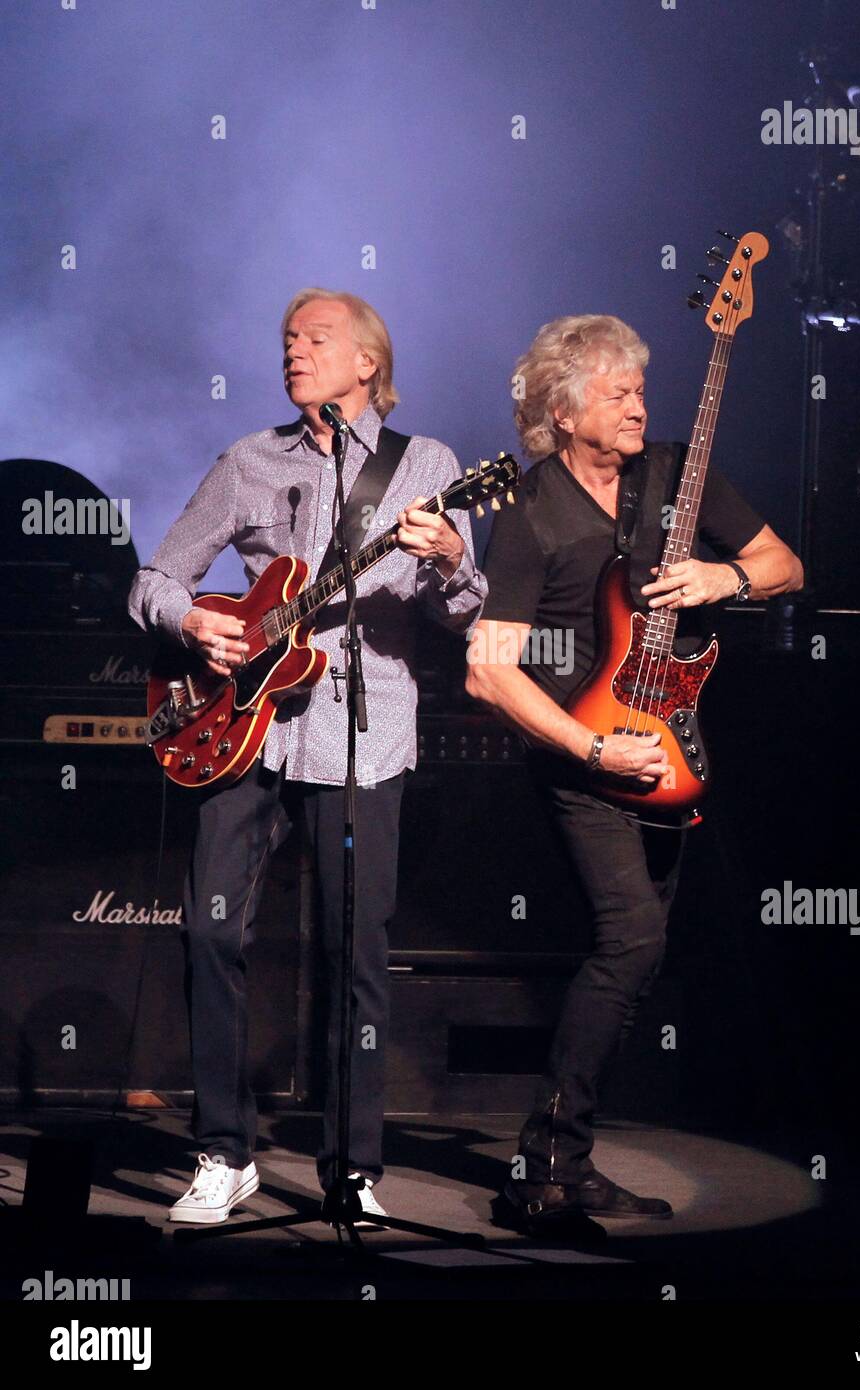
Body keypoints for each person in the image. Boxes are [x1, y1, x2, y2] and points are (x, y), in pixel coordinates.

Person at [129, 288, 487, 1224]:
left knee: (353, 952)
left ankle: (352, 1165)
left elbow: (464, 613)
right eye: (287, 339)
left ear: (367, 363)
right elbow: (156, 577)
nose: (294, 351)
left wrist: (450, 554)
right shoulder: (251, 461)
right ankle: (222, 1149)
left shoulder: (431, 467)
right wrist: (195, 618)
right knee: (210, 933)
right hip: (243, 729)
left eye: (316, 339)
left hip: (362, 738)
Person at [466, 314, 803, 1236]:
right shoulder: (530, 511)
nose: (636, 407)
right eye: (616, 394)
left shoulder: (673, 474)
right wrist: (591, 749)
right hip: (585, 758)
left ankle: (566, 1160)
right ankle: (540, 1164)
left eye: (640, 391)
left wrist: (717, 581)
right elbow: (488, 671)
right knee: (630, 942)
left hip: (673, 751)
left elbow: (785, 562)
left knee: (640, 956)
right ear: (562, 410)